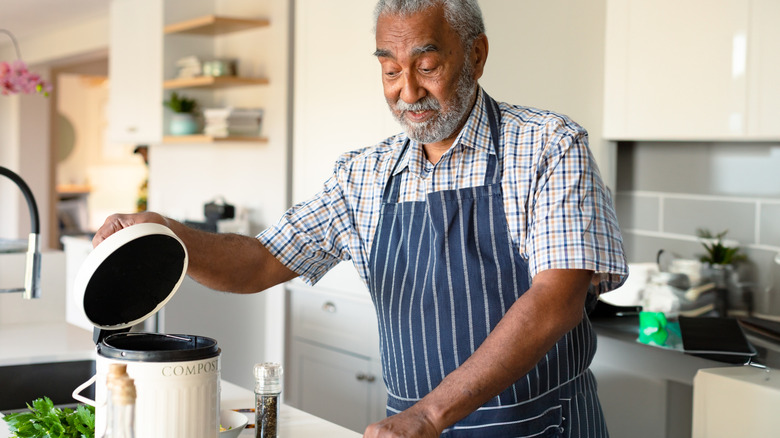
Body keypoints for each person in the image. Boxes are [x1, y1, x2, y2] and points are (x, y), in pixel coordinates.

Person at [94, 1, 627, 436]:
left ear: (477, 54)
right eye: (391, 70)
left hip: (536, 426)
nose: (408, 92)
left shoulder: (549, 146)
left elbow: (556, 299)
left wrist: (429, 414)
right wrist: (164, 231)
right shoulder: (364, 175)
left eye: (426, 65)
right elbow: (258, 262)